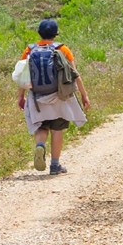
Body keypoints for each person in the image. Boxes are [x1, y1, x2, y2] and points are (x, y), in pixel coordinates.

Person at [17, 18, 91, 176]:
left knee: (42, 126)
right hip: (59, 96)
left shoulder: (30, 50)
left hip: (37, 97)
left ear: (39, 33)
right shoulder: (62, 49)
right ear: (56, 34)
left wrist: (21, 97)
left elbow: (22, 77)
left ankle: (40, 145)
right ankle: (55, 165)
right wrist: (84, 95)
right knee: (57, 129)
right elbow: (75, 74)